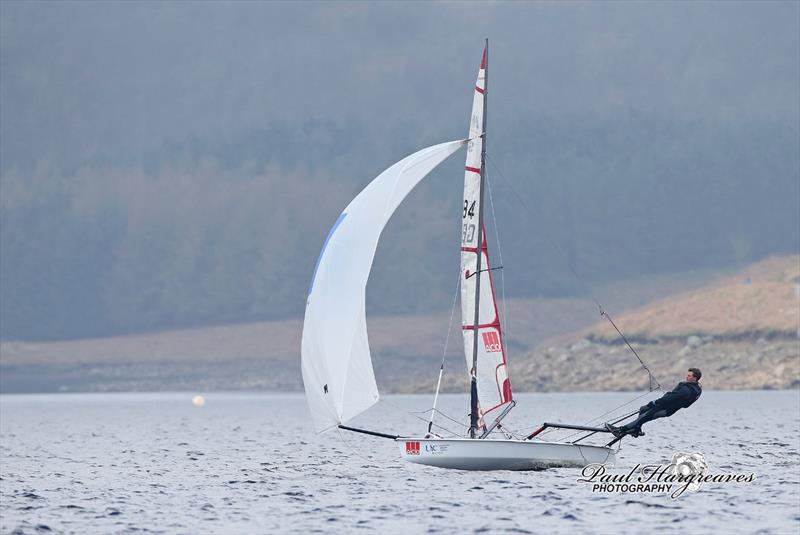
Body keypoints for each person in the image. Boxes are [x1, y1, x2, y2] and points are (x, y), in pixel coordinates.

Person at [606, 368, 702, 438]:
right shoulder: (696, 389)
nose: (686, 377)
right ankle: (636, 429)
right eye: (687, 375)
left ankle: (619, 430)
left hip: (665, 409)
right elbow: (683, 403)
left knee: (643, 417)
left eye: (689, 376)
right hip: (664, 405)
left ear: (695, 378)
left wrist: (655, 402)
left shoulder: (687, 390)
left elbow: (670, 399)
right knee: (643, 409)